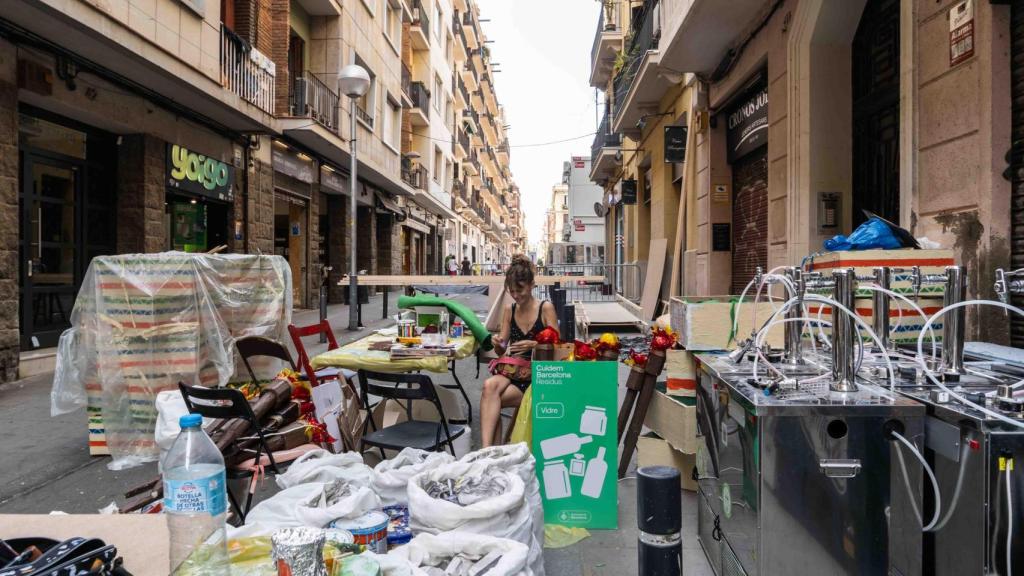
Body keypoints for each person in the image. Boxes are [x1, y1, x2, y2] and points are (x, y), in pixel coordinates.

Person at [480, 255, 559, 447]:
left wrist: (534, 345)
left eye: (520, 290)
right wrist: (497, 342)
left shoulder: (545, 308)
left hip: (538, 376)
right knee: (489, 386)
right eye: (512, 291)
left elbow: (559, 348)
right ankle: (487, 451)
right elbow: (501, 352)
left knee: (491, 399)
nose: (516, 295)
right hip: (513, 371)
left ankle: (490, 452)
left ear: (532, 285)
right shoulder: (509, 309)